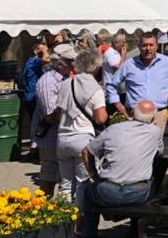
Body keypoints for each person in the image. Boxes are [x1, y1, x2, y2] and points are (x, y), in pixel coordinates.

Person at [80, 100, 165, 237]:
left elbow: (86, 151)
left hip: (108, 191)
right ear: (153, 117)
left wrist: (94, 175)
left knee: (88, 191)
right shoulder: (155, 132)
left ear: (131, 113)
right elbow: (159, 153)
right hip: (138, 193)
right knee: (149, 183)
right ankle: (135, 232)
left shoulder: (114, 129)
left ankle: (89, 234)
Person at [56, 47, 107, 222]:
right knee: (83, 185)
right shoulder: (95, 88)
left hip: (62, 137)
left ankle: (62, 222)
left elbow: (59, 111)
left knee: (65, 184)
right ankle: (79, 224)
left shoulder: (66, 83)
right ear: (95, 67)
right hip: (82, 138)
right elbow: (100, 119)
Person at [106, 33, 168, 130]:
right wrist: (118, 105)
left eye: (151, 45)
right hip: (134, 115)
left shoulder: (167, 62)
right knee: (135, 144)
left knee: (156, 144)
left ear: (157, 46)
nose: (148, 48)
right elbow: (111, 85)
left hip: (158, 114)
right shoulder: (129, 64)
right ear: (139, 47)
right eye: (144, 45)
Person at [33, 44, 75, 195]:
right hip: (51, 138)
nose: (73, 64)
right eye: (70, 61)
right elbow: (50, 116)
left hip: (62, 135)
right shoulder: (48, 82)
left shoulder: (66, 78)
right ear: (59, 63)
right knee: (49, 179)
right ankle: (42, 212)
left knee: (64, 179)